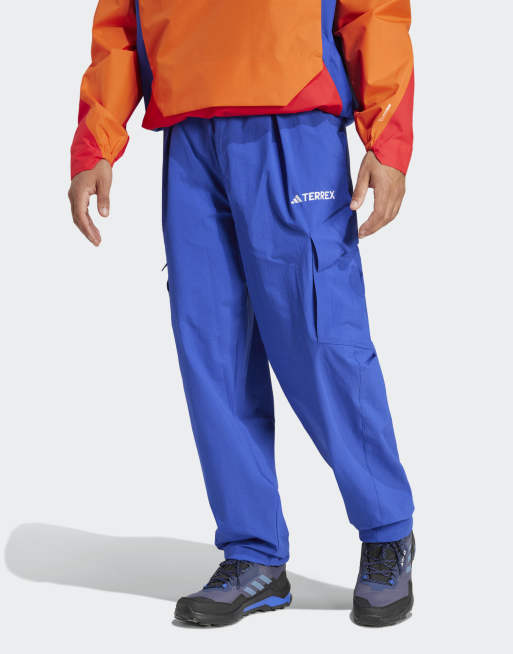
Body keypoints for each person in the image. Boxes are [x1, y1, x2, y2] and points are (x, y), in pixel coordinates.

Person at [68, 0, 415, 628]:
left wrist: (386, 138)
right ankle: (253, 554)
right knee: (213, 350)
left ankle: (387, 531)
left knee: (320, 338)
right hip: (191, 130)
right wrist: (98, 141)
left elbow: (375, 11)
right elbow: (122, 22)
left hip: (293, 117)